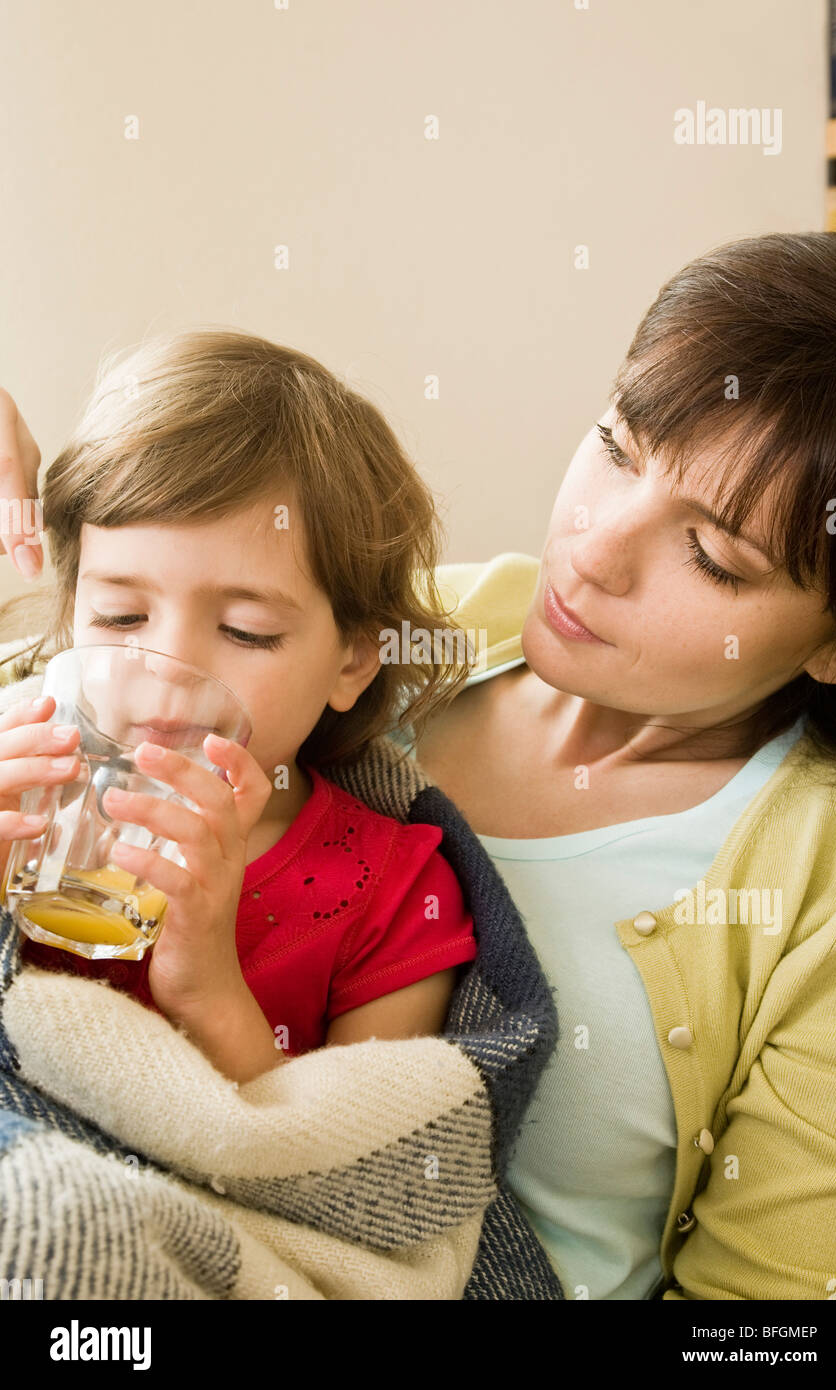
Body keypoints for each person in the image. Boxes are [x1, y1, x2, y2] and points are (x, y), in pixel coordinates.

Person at [404, 232, 836, 1299]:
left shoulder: (832, 888)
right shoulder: (422, 628)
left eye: (714, 557)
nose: (595, 548)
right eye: (617, 447)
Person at [0, 328, 478, 1085]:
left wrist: (206, 992)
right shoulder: (25, 796)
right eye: (121, 617)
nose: (167, 677)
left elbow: (346, 1172)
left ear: (352, 660)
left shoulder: (393, 896)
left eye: (245, 632)